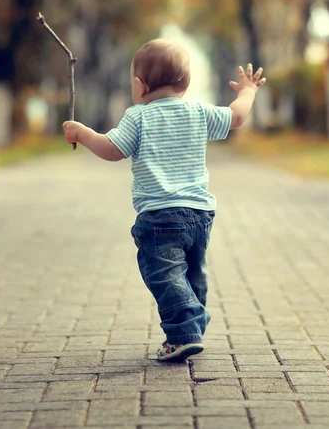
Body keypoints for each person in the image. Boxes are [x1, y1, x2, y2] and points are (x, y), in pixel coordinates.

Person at [62, 38, 266, 362]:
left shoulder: (138, 117)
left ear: (140, 86)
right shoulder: (198, 112)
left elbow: (112, 150)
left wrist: (82, 133)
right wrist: (248, 91)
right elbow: (237, 117)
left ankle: (183, 330)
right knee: (191, 271)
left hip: (159, 216)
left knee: (163, 272)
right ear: (185, 85)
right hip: (200, 215)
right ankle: (192, 322)